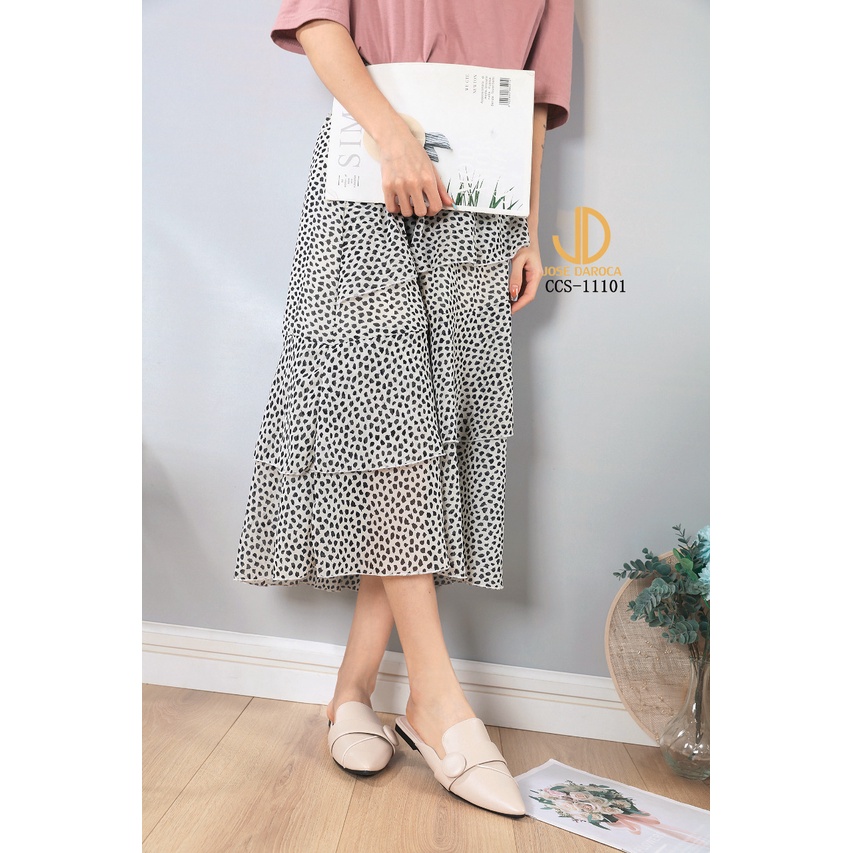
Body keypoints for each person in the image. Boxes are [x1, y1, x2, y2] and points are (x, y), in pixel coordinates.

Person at [235, 0, 573, 818]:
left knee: (431, 432)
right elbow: (317, 23)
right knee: (385, 419)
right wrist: (392, 136)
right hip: (368, 174)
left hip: (481, 205)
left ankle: (351, 690)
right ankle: (436, 700)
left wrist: (528, 227)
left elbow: (533, 99)